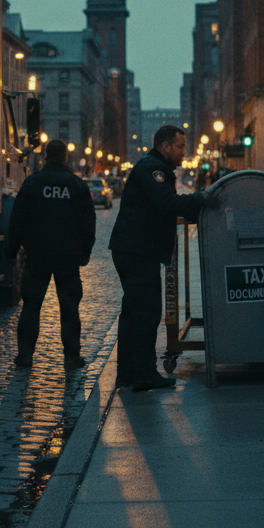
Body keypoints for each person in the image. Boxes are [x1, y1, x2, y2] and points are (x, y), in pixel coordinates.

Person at [108, 125, 217, 390]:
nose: (183, 152)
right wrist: (201, 198)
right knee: (146, 313)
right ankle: (144, 374)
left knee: (133, 313)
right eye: (180, 146)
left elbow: (165, 206)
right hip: (138, 251)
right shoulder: (153, 169)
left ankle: (128, 373)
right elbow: (166, 204)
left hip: (132, 249)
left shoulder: (153, 167)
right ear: (165, 146)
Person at [5, 139, 96, 371]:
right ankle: (71, 357)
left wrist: (12, 251)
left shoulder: (32, 183)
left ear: (46, 156)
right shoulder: (76, 185)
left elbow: (17, 220)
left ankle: (25, 355)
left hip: (37, 255)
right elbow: (88, 222)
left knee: (31, 306)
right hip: (67, 256)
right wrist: (85, 252)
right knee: (69, 308)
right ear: (65, 157)